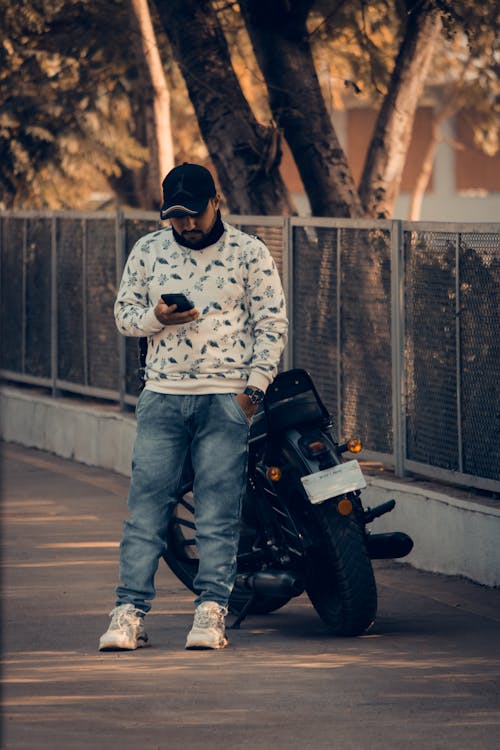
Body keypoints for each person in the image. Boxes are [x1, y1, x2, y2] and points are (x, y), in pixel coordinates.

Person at [99, 162, 288, 651]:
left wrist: (254, 391)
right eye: (174, 216)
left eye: (192, 214)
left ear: (216, 202)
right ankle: (128, 613)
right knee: (145, 512)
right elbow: (124, 316)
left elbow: (272, 324)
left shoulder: (250, 253)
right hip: (163, 397)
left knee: (218, 513)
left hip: (226, 399)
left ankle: (210, 612)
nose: (184, 225)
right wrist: (157, 318)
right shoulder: (148, 250)